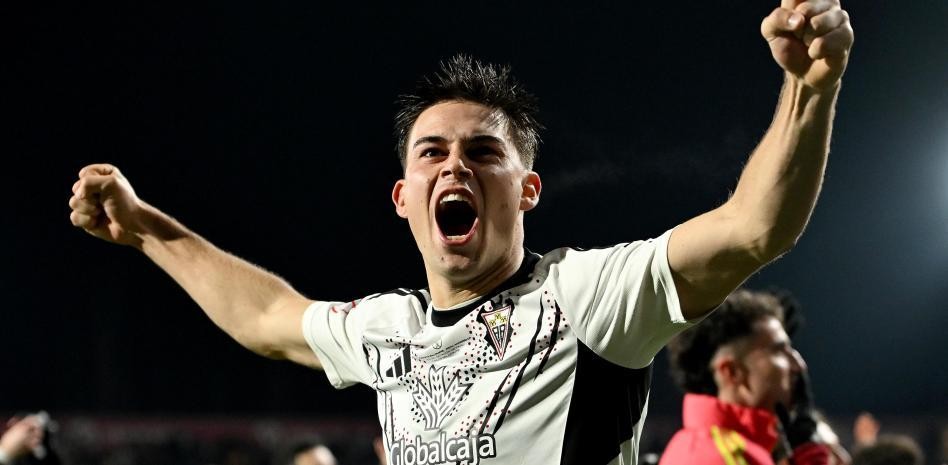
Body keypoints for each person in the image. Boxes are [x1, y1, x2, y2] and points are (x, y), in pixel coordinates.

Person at [67, 1, 854, 463]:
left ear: (528, 190)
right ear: (403, 197)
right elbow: (266, 315)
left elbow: (754, 227)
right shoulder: (385, 327)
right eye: (432, 153)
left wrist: (809, 90)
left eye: (483, 152)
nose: (455, 166)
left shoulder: (587, 297)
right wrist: (145, 228)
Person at [659, 289, 834, 465]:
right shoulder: (722, 458)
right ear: (732, 372)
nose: (799, 365)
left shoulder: (707, 447)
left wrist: (805, 451)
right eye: (779, 350)